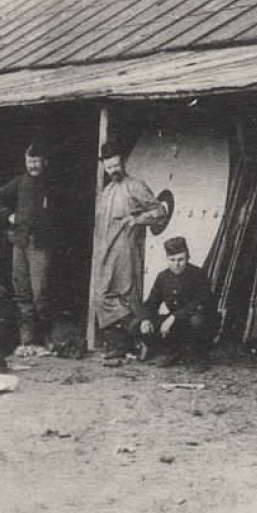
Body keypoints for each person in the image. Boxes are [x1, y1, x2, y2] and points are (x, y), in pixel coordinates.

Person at [90, 142, 168, 361]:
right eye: (109, 167)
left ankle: (142, 342)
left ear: (122, 162)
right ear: (104, 167)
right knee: (102, 297)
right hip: (106, 253)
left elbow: (160, 210)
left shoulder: (135, 186)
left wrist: (137, 220)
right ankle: (122, 342)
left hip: (127, 252)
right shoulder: (106, 191)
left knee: (127, 297)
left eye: (116, 165)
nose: (113, 170)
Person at [0, 141, 65, 355]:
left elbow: (63, 212)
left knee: (41, 292)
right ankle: (27, 339)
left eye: (36, 161)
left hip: (41, 245)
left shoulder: (52, 184)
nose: (33, 166)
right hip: (21, 244)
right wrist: (10, 216)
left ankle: (47, 337)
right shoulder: (20, 182)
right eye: (29, 161)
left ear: (44, 162)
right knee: (22, 292)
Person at [138, 236, 215, 371]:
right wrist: (145, 319)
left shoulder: (198, 275)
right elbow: (151, 302)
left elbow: (200, 302)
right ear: (167, 259)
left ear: (188, 257)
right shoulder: (163, 277)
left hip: (197, 319)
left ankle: (198, 357)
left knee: (197, 321)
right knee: (138, 325)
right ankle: (172, 351)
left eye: (181, 260)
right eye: (172, 260)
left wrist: (174, 317)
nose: (176, 264)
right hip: (176, 322)